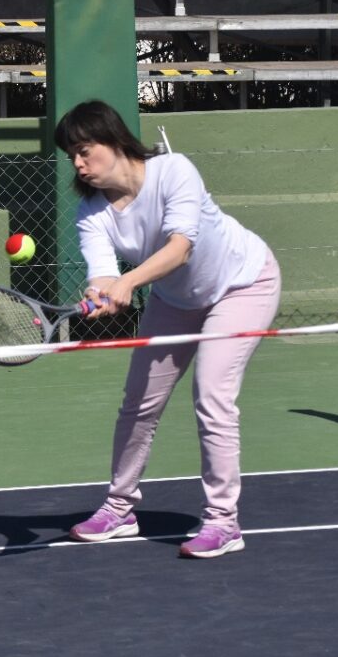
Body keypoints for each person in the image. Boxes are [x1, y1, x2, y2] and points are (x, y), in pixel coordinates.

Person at [56, 100, 282, 560]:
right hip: (176, 300)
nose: (77, 163)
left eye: (84, 150)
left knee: (212, 396)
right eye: (71, 155)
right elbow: (103, 275)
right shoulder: (91, 213)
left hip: (243, 284)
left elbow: (180, 248)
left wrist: (128, 283)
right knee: (138, 402)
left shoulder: (174, 170)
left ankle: (223, 522)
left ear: (114, 140)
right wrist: (102, 293)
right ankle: (119, 509)